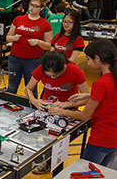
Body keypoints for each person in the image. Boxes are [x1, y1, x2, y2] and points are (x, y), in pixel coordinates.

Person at [48, 39, 117, 167]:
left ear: (97, 58)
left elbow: (85, 115)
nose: (88, 63)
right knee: (100, 171)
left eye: (88, 59)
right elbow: (110, 96)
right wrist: (90, 95)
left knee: (87, 170)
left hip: (101, 138)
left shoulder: (101, 84)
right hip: (114, 139)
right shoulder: (113, 77)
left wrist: (60, 111)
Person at [6, 0, 52, 96]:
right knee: (11, 87)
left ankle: (32, 109)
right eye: (31, 5)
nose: (32, 8)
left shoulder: (45, 24)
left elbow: (48, 45)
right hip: (15, 58)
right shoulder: (18, 19)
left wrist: (38, 42)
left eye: (36, 6)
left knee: (31, 88)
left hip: (33, 60)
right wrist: (14, 38)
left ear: (42, 8)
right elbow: (8, 37)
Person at [25, 51, 89, 112]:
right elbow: (28, 88)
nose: (52, 78)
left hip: (69, 107)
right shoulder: (40, 69)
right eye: (48, 76)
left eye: (55, 75)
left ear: (63, 68)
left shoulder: (75, 71)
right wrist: (34, 100)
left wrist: (68, 104)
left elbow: (87, 97)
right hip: (48, 104)